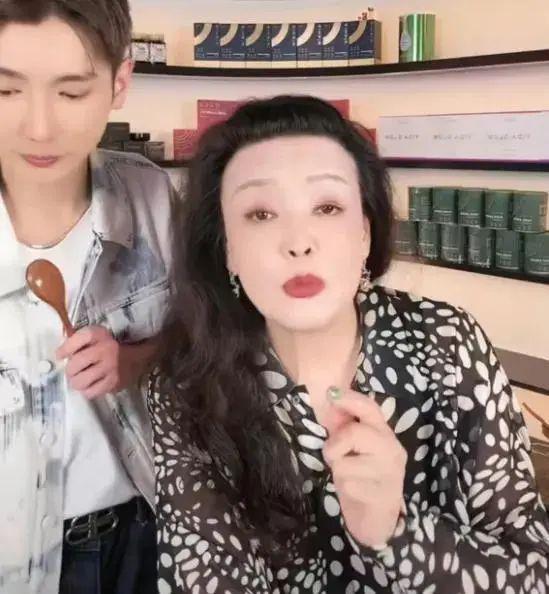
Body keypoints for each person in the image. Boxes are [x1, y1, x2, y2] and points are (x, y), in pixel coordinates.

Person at [149, 95, 549, 593]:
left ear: (364, 232)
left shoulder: (447, 344)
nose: (298, 242)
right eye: (260, 213)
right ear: (226, 247)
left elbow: (532, 575)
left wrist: (394, 533)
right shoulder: (186, 384)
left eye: (327, 207)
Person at [0, 1, 173, 593]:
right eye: (6, 90)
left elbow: (202, 338)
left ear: (119, 83)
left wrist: (133, 360)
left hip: (138, 534)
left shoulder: (149, 196)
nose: (39, 128)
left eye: (71, 93)